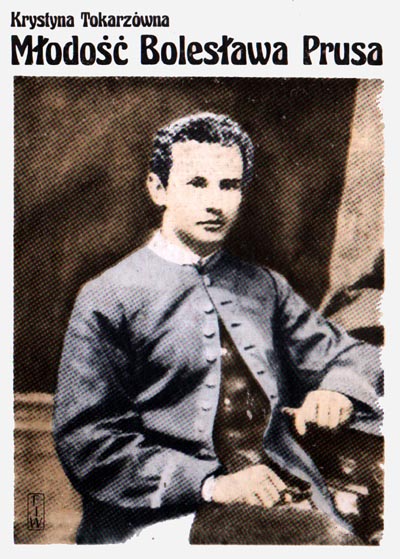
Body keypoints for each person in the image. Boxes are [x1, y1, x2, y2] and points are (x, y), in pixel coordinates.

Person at [53, 113, 383, 545]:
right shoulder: (108, 295)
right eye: (197, 184)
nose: (216, 203)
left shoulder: (262, 286)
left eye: (229, 186)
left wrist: (338, 391)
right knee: (329, 543)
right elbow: (88, 441)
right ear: (158, 188)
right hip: (161, 518)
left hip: (277, 494)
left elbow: (352, 354)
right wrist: (212, 484)